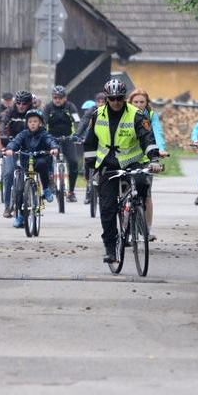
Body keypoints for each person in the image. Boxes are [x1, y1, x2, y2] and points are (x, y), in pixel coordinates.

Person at [83, 79, 162, 263]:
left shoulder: (137, 115)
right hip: (107, 165)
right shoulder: (97, 115)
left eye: (119, 98)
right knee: (107, 208)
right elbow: (90, 143)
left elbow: (147, 139)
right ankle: (111, 249)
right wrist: (92, 167)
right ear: (107, 98)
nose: (116, 102)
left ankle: (137, 216)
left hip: (130, 162)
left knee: (143, 183)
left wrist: (154, 159)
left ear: (124, 97)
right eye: (112, 98)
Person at [4, 109, 60, 228]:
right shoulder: (23, 134)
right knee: (20, 191)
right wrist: (10, 149)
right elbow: (15, 142)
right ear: (27, 123)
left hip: (41, 159)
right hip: (26, 162)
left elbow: (50, 141)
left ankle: (45, 188)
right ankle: (20, 215)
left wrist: (54, 147)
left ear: (40, 123)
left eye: (35, 121)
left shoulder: (44, 134)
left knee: (42, 165)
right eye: (30, 121)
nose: (33, 124)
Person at [129, 89, 169, 240]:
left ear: (147, 103)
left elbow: (157, 133)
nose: (139, 105)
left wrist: (160, 149)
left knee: (146, 195)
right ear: (130, 102)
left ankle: (147, 230)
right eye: (136, 102)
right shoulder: (126, 115)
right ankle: (124, 227)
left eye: (142, 102)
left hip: (146, 158)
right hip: (128, 159)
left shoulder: (151, 116)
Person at [42, 85, 81, 202]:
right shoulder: (48, 107)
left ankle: (71, 192)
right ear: (52, 98)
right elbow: (43, 122)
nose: (57, 100)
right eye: (55, 97)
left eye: (60, 97)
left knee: (73, 162)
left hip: (68, 138)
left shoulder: (70, 106)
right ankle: (50, 181)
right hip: (52, 138)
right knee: (45, 160)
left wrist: (77, 134)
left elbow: (77, 121)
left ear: (65, 98)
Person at [0, 90, 33, 218]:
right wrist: (2, 135)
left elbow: (41, 126)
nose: (21, 106)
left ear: (29, 103)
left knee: (29, 172)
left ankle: (32, 195)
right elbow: (2, 124)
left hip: (28, 146)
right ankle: (7, 206)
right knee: (8, 173)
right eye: (18, 103)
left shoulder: (33, 113)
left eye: (24, 103)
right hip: (11, 145)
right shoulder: (9, 111)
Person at [76, 92, 106, 204]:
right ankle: (89, 192)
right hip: (92, 140)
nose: (101, 104)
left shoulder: (110, 110)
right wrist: (77, 135)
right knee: (88, 165)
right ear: (95, 102)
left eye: (103, 102)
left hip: (105, 141)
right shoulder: (91, 111)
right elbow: (84, 122)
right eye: (99, 102)